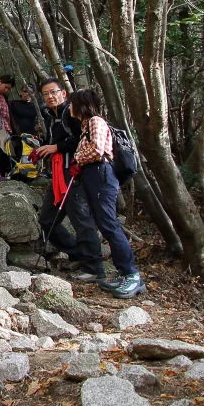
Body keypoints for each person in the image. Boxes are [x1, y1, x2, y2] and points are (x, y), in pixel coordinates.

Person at [69, 88, 145, 299]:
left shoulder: (95, 121)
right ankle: (123, 273)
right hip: (93, 176)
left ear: (80, 105)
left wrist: (77, 157)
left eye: (72, 103)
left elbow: (97, 150)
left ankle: (132, 275)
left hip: (101, 174)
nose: (69, 108)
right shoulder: (86, 126)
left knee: (109, 224)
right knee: (105, 223)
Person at [31, 79, 104, 282]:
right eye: (45, 94)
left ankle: (95, 267)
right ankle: (78, 254)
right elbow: (54, 142)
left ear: (63, 93)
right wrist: (42, 150)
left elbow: (83, 140)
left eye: (54, 92)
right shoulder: (49, 115)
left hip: (75, 174)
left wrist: (57, 148)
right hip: (57, 174)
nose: (50, 97)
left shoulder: (70, 113)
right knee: (47, 218)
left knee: (81, 218)